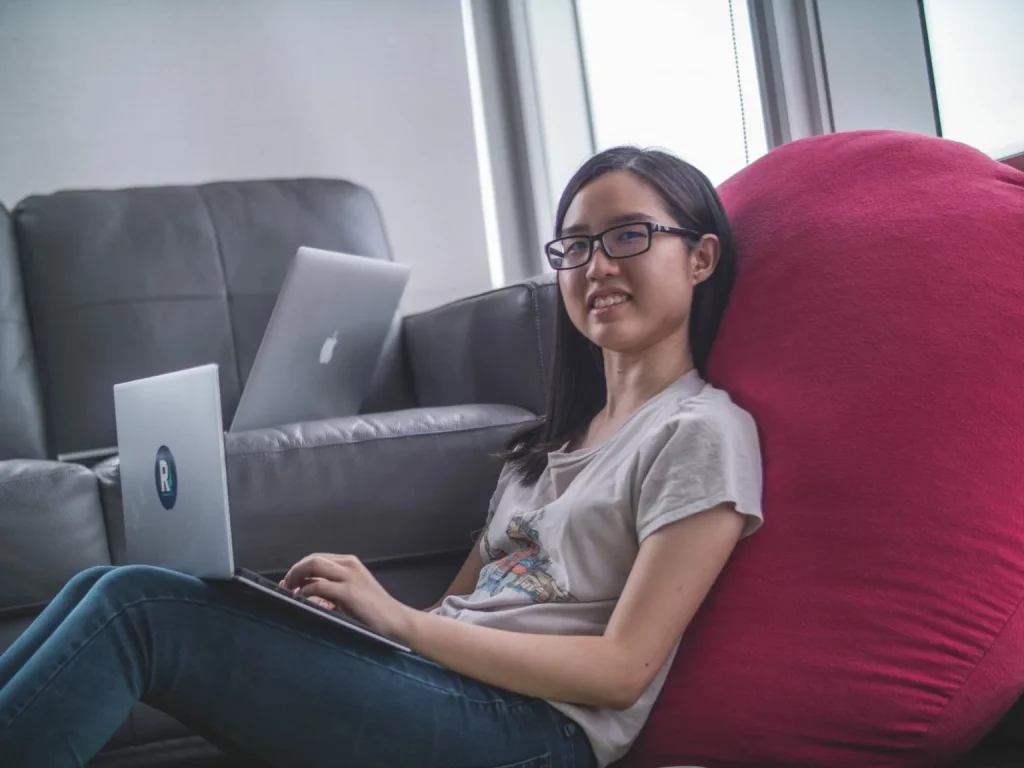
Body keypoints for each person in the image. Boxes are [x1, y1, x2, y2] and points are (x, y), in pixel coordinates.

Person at [0, 146, 763, 768]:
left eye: (629, 235)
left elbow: (624, 670)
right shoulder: (549, 447)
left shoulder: (698, 433)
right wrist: (340, 629)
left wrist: (399, 623)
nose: (596, 265)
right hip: (442, 688)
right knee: (107, 584)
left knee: (137, 607)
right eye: (576, 245)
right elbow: (459, 611)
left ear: (700, 258)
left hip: (537, 731)